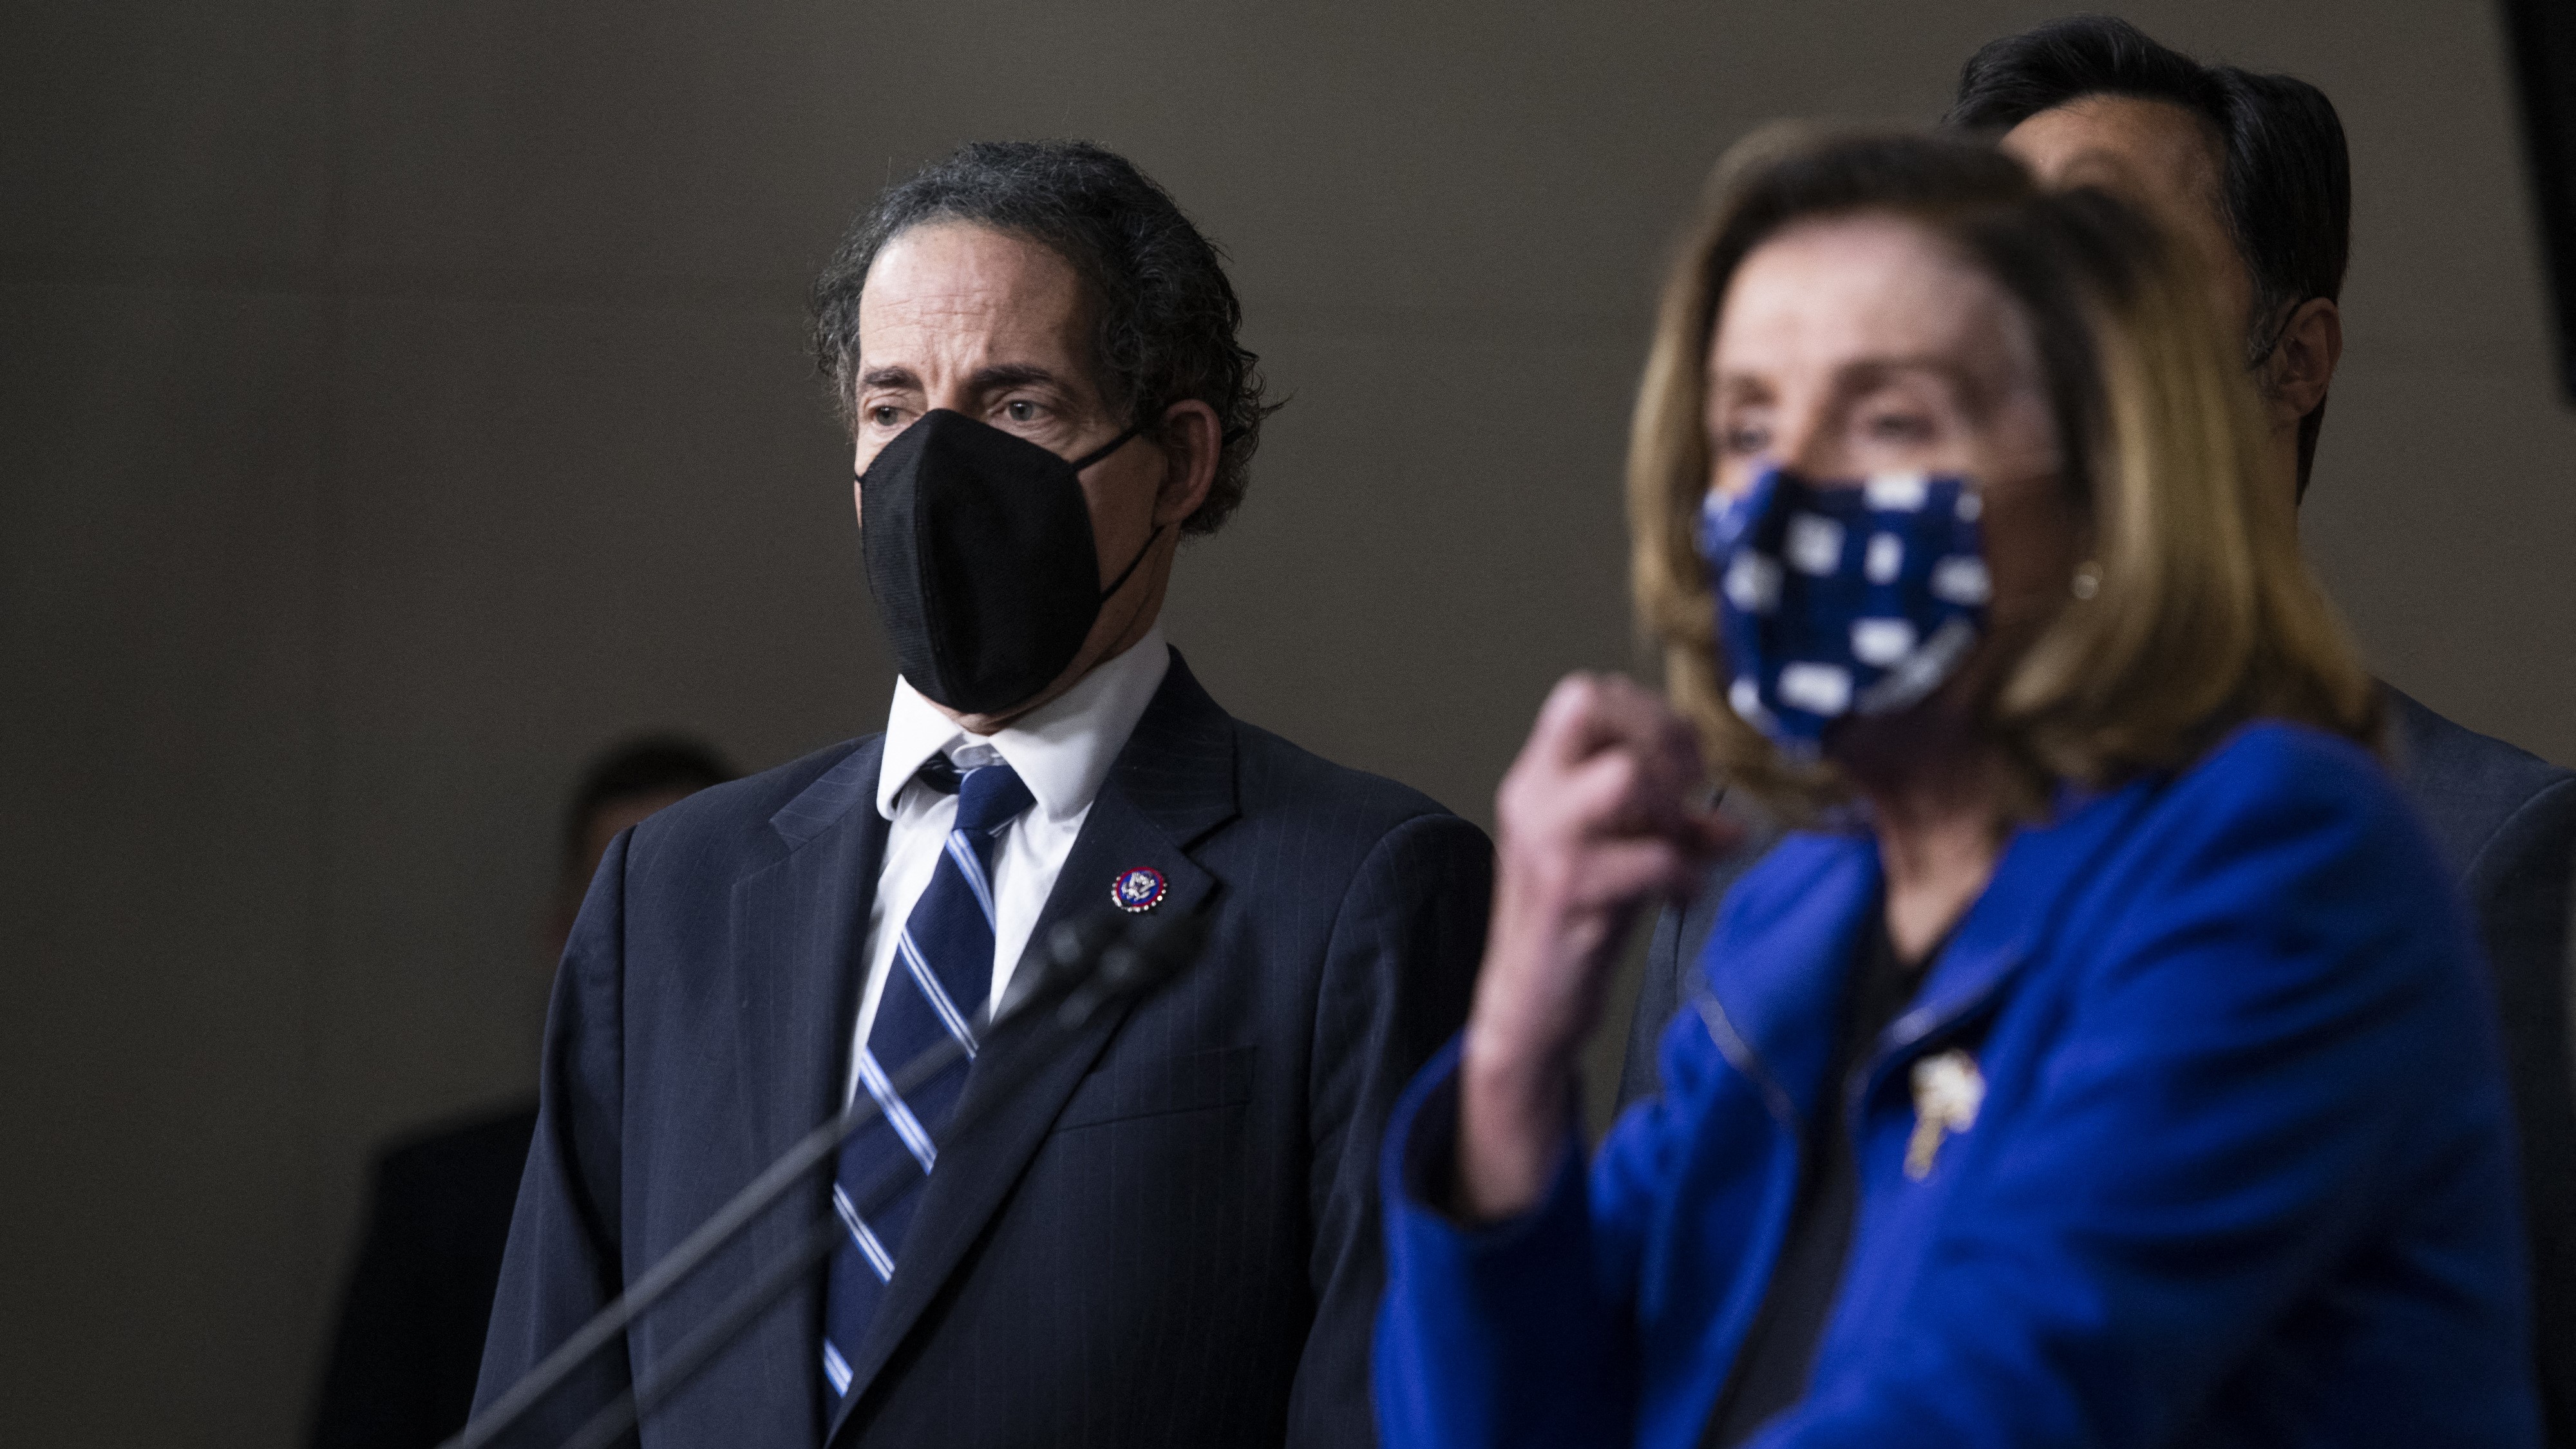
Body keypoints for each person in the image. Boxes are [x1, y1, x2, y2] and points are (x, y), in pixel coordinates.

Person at [1375, 128, 2539, 1447]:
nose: (1786, 489)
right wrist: (1518, 1052)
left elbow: (2000, 1402)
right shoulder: (1796, 911)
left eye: (1889, 419)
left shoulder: (2274, 857)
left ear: (2100, 488)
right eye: (1746, 423)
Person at [474, 140, 1492, 1448]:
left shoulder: (1359, 892)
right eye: (893, 409)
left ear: (1179, 461)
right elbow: (551, 1400)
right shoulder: (672, 892)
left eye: (1017, 408)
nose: (936, 476)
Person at [310, 735, 733, 1449]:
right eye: (622, 911)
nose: (659, 954)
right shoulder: (439, 1201)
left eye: (690, 915)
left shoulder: (832, 1180)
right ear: (559, 939)